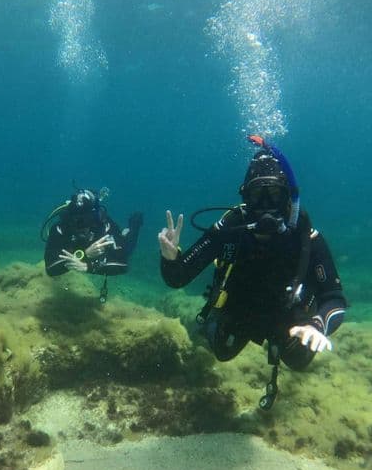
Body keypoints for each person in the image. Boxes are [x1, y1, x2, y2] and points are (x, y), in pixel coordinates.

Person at [158, 136, 346, 409]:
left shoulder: (305, 237)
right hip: (238, 311)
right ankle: (206, 327)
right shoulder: (230, 229)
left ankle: (292, 339)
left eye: (274, 195)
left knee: (300, 360)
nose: (266, 205)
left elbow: (335, 298)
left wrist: (317, 325)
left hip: (289, 317)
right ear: (245, 197)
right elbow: (177, 278)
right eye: (257, 196)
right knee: (221, 352)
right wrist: (170, 257)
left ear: (288, 199)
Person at [43, 188, 143, 300]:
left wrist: (88, 267)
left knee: (127, 247)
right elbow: (51, 269)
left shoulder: (104, 225)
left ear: (95, 215)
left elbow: (122, 265)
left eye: (86, 219)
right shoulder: (61, 227)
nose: (81, 225)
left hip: (102, 254)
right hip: (81, 253)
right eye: (76, 219)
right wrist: (84, 255)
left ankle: (134, 225)